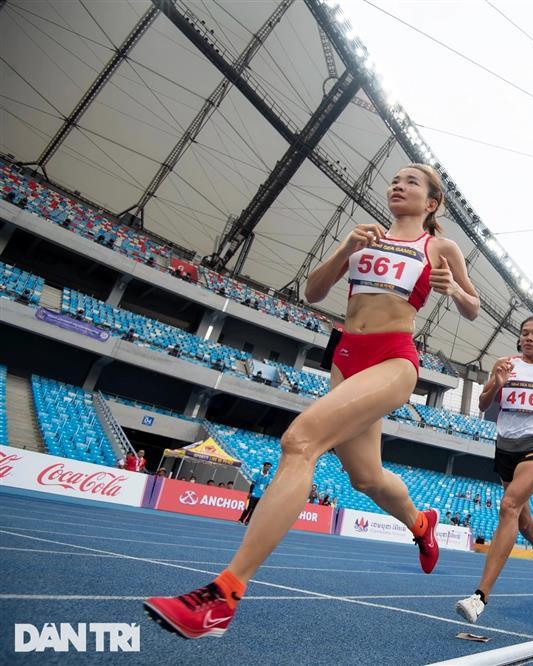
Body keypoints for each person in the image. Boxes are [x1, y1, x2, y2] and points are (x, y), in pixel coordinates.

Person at [146, 164, 480, 639]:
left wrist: (456, 291)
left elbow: (474, 307)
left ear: (431, 203)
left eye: (411, 181)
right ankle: (421, 522)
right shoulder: (364, 236)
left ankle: (223, 596)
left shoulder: (439, 247)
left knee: (299, 441)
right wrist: (346, 248)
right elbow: (313, 291)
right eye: (395, 179)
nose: (398, 184)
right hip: (346, 357)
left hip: (393, 358)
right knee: (365, 478)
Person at [455, 316, 533, 623]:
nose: (528, 337)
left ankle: (479, 598)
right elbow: (484, 404)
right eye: (524, 333)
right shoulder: (504, 364)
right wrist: (496, 384)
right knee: (522, 518)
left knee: (509, 505)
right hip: (505, 448)